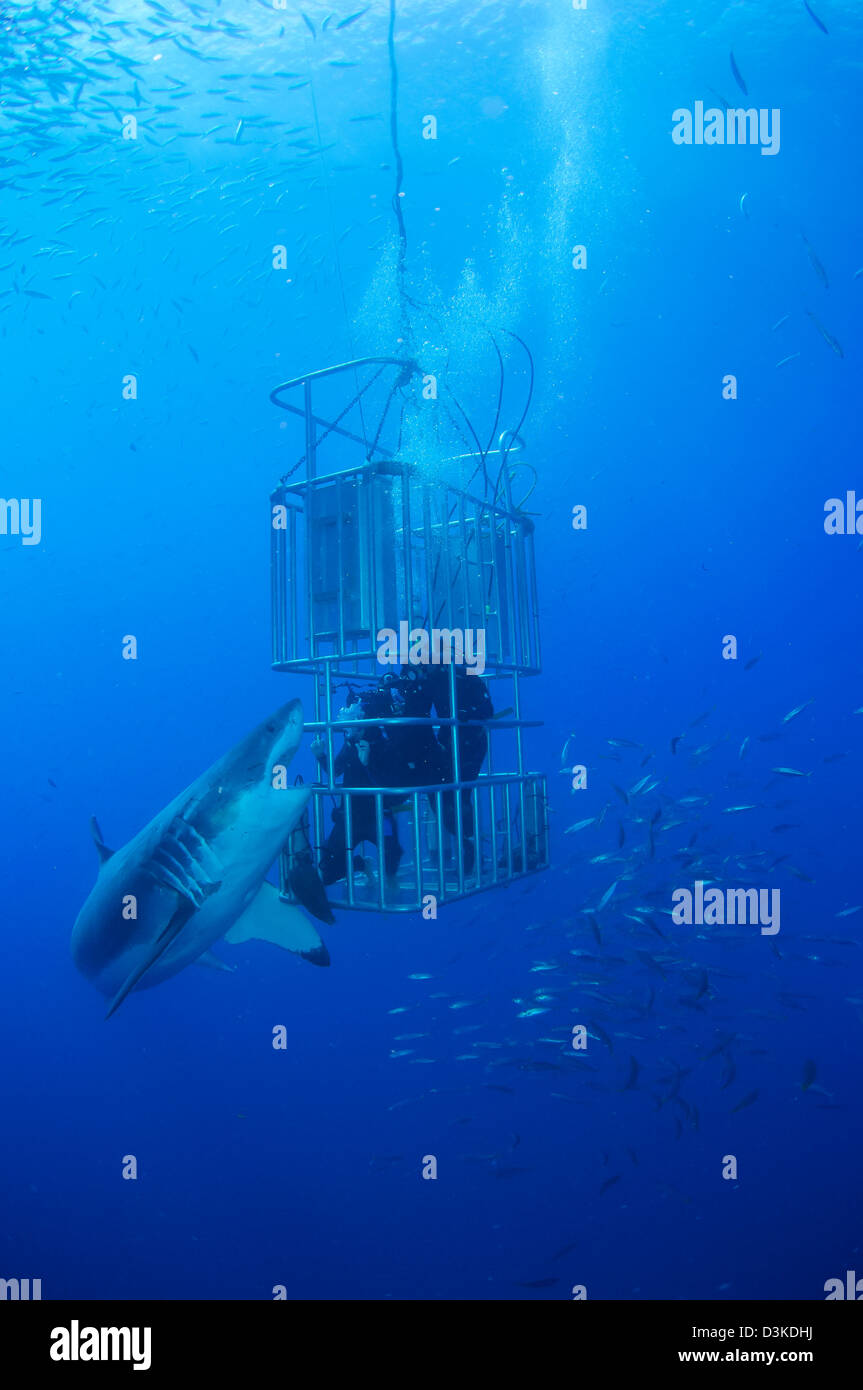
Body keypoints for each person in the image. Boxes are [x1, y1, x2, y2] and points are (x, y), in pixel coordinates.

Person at [312, 695, 404, 887]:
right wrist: (321, 756)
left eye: (353, 726)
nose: (348, 732)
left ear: (364, 724)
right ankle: (359, 864)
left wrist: (368, 763)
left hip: (381, 814)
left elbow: (390, 784)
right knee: (327, 869)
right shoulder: (350, 744)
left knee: (391, 852)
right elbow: (336, 770)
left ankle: (391, 880)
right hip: (350, 816)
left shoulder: (384, 745)